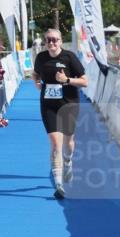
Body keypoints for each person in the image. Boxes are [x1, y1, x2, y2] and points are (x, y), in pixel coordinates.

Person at [32, 29, 87, 200]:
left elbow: (85, 81)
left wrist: (67, 80)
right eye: (48, 40)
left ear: (61, 41)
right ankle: (58, 185)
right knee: (56, 143)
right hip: (48, 105)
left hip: (69, 104)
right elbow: (35, 73)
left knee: (68, 141)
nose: (51, 43)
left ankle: (68, 161)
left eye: (55, 40)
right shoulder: (41, 58)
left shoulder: (69, 57)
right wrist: (36, 82)